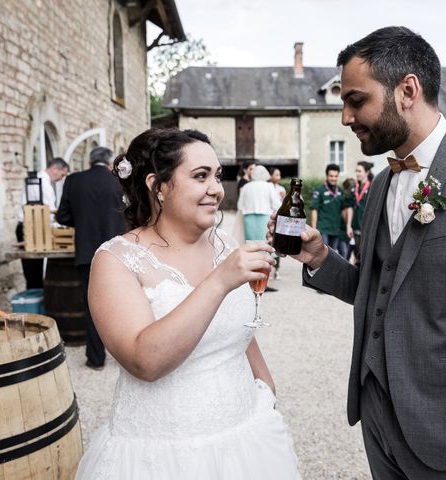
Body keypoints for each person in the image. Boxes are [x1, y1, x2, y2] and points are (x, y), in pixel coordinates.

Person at [271, 26, 446, 479]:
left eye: (356, 100)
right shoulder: (381, 183)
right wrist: (319, 256)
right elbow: (378, 287)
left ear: (407, 90)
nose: (345, 117)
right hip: (379, 421)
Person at [75, 128, 300, 479]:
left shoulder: (224, 243)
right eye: (200, 176)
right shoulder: (116, 260)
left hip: (246, 439)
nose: (216, 189)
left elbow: (239, 327)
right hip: (162, 453)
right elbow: (145, 361)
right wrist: (219, 281)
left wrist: (266, 390)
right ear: (158, 186)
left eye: (217, 175)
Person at [56, 146, 126, 370]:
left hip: (87, 252)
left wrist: (84, 222)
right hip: (118, 253)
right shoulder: (119, 181)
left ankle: (96, 359)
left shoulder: (74, 180)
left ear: (89, 161)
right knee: (121, 304)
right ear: (108, 163)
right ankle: (125, 355)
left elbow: (63, 216)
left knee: (91, 306)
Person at [15, 157, 69, 289]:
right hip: (30, 227)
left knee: (36, 270)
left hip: (35, 226)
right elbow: (45, 212)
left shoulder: (44, 182)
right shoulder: (40, 183)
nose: (62, 178)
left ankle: (36, 293)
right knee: (33, 270)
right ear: (56, 169)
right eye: (63, 174)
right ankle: (33, 298)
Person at [311, 164, 351, 259]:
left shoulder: (340, 191)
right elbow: (314, 210)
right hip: (323, 229)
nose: (333, 178)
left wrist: (348, 226)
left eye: (336, 176)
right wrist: (314, 230)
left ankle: (330, 273)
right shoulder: (319, 190)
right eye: (331, 176)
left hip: (336, 230)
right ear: (327, 175)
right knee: (323, 255)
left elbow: (344, 210)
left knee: (332, 256)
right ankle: (321, 273)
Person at [352, 161, 374, 262]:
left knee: (364, 257)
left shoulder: (372, 187)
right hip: (355, 228)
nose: (357, 173)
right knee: (356, 255)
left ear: (367, 172)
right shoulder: (355, 188)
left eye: (359, 171)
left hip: (366, 229)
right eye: (356, 171)